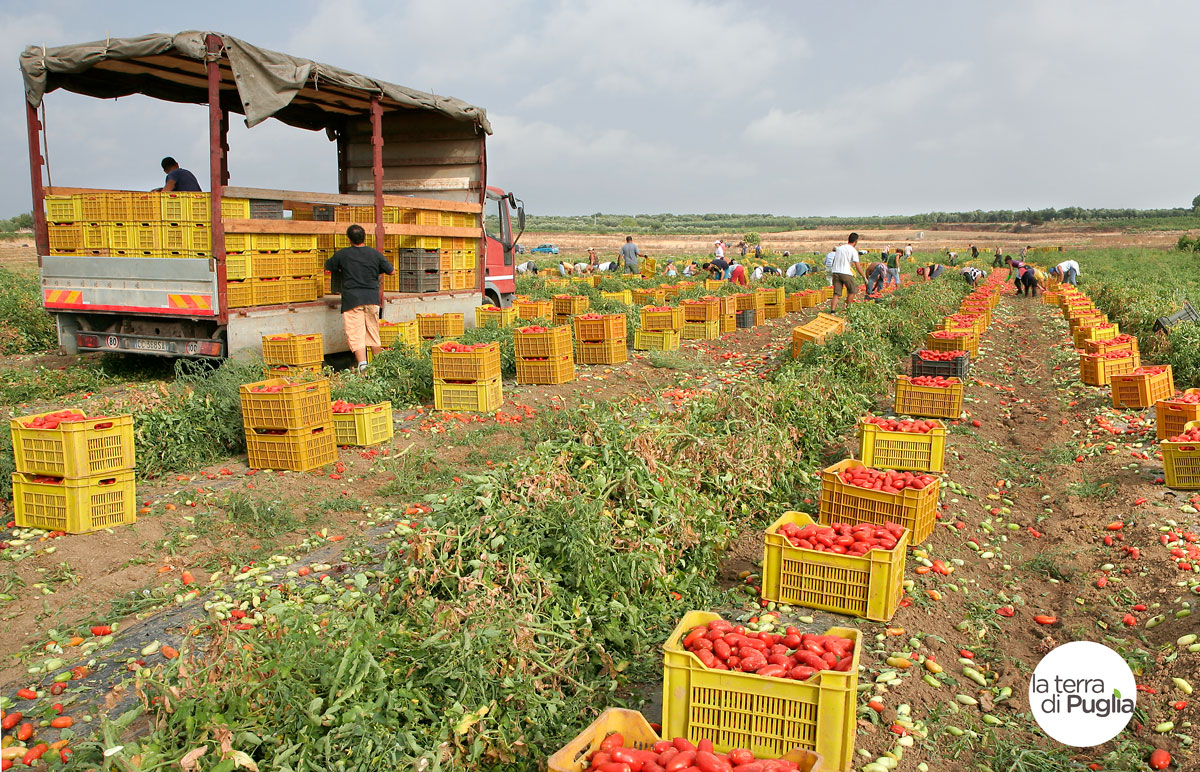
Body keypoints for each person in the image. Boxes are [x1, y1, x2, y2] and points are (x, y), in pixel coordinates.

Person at [324, 224, 393, 371]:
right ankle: (381, 366)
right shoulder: (375, 254)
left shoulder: (343, 254)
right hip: (372, 299)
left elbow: (328, 266)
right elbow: (391, 271)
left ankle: (363, 366)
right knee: (373, 330)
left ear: (349, 239)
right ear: (364, 237)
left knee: (356, 333)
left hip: (352, 300)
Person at [829, 233, 864, 312]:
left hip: (835, 272)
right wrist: (863, 276)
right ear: (855, 241)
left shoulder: (839, 248)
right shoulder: (853, 250)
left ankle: (832, 311)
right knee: (852, 290)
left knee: (836, 293)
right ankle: (847, 309)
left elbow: (835, 260)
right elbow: (857, 265)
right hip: (845, 273)